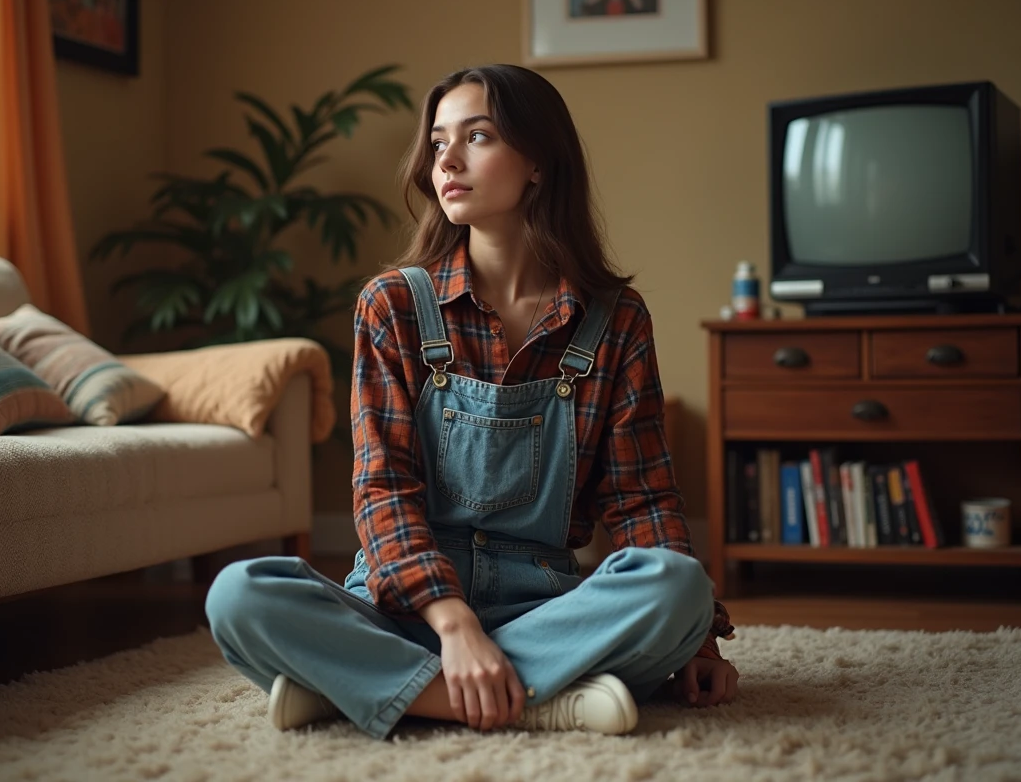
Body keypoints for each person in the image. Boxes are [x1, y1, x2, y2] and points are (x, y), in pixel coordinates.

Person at [205, 64, 738, 741]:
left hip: (542, 609)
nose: (446, 160)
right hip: (405, 609)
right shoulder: (393, 304)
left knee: (678, 587)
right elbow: (382, 487)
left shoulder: (616, 319)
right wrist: (453, 623)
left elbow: (642, 498)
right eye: (436, 142)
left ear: (539, 162)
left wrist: (699, 644)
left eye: (477, 136)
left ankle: (368, 688)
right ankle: (547, 702)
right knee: (239, 595)